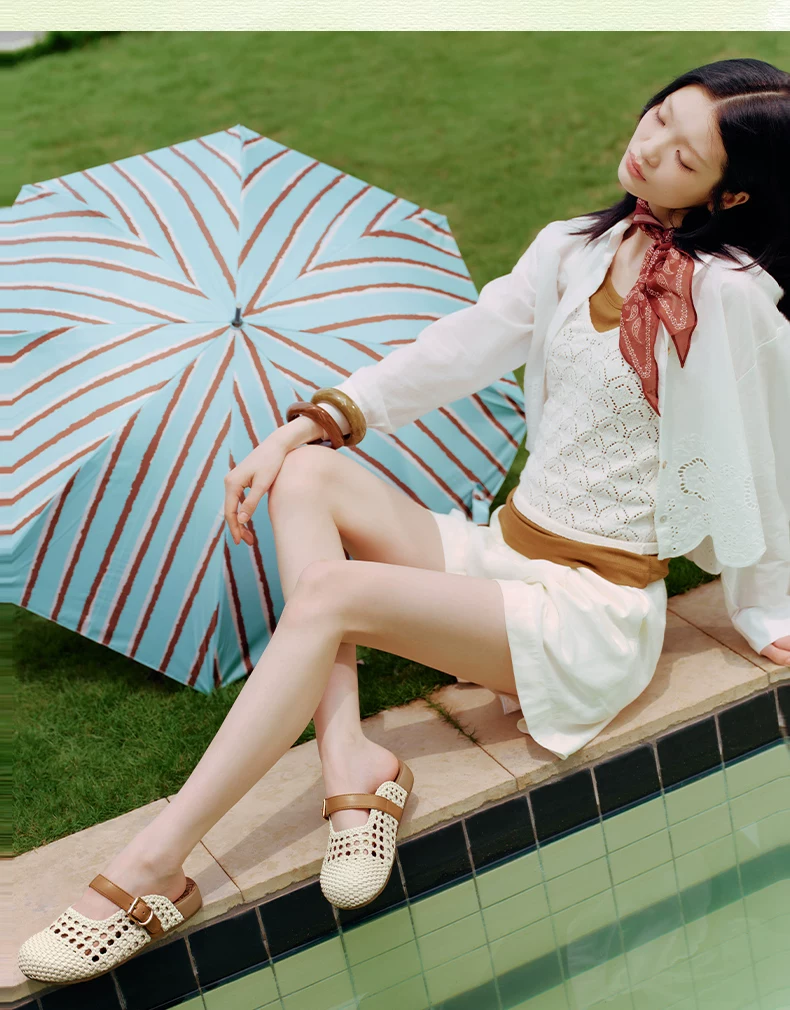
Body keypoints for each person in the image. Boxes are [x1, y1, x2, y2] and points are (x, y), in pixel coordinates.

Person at [19, 57, 790, 984]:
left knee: (332, 595)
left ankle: (156, 865)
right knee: (305, 476)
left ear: (731, 193)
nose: (651, 145)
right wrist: (305, 425)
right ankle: (352, 763)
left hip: (589, 616)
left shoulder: (729, 298)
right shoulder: (571, 247)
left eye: (685, 154)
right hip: (505, 553)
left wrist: (769, 609)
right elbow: (457, 348)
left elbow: (769, 450)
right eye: (660, 115)